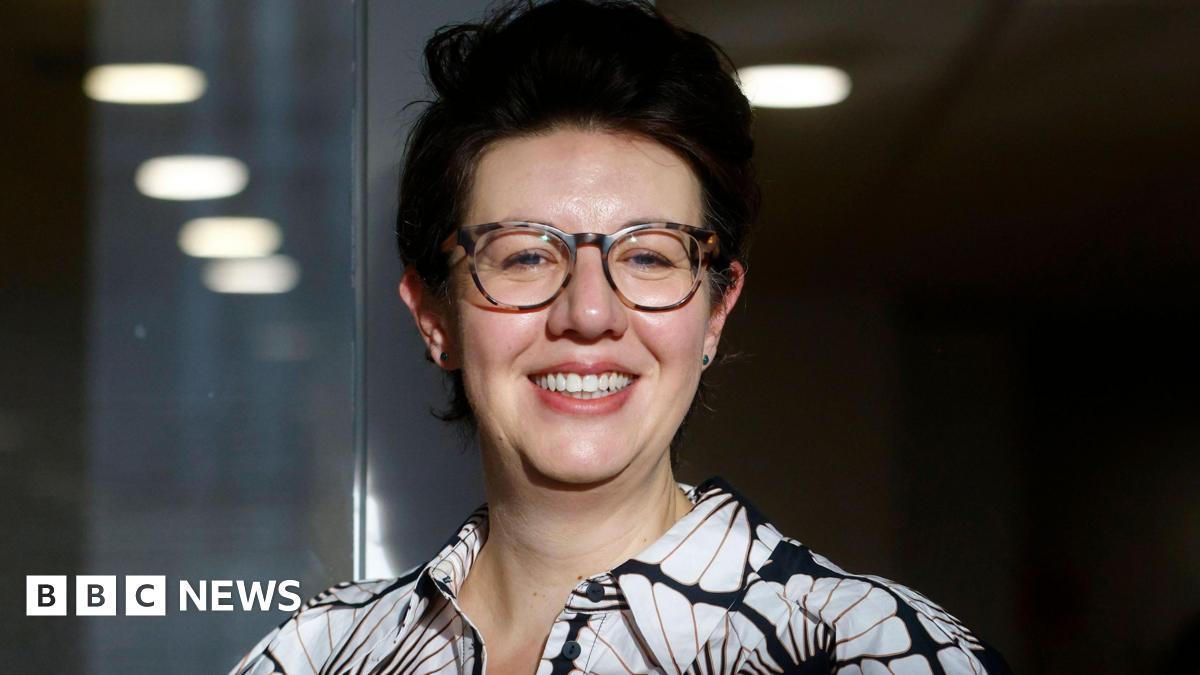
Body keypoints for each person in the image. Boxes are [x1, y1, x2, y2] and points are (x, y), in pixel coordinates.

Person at [230, 1, 1010, 673]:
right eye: (528, 255)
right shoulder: (318, 651)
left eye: (647, 255)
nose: (590, 313)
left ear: (715, 309)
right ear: (436, 316)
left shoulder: (871, 651)